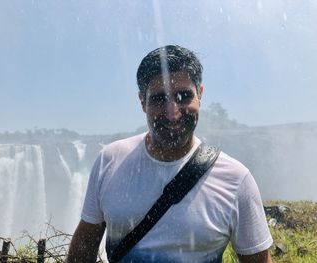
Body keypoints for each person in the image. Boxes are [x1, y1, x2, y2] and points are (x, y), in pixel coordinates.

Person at [67, 45, 273, 263]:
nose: (172, 113)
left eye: (183, 96)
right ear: (142, 102)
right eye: (159, 99)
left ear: (200, 94)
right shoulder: (109, 160)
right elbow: (84, 247)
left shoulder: (236, 180)